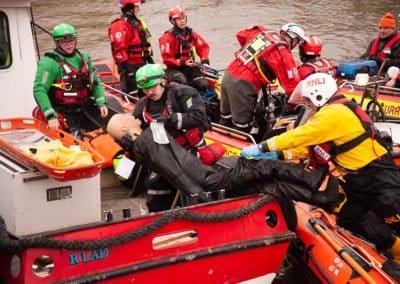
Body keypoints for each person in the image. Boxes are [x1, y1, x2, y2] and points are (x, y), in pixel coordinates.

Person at [240, 72, 400, 265]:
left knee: (393, 215)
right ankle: (390, 249)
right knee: (350, 217)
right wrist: (279, 155)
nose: (307, 103)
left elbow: (301, 136)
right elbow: (311, 148)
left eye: (308, 99)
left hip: (378, 178)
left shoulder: (333, 114)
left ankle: (396, 252)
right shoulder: (331, 114)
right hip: (358, 180)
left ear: (318, 95)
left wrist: (263, 147)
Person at [106, 112, 336, 214]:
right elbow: (173, 172)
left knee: (267, 185)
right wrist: (202, 196)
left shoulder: (145, 143)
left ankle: (320, 198)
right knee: (261, 166)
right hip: (209, 180)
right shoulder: (148, 142)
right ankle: (310, 178)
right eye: (124, 118)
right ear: (125, 128)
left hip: (206, 177)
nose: (130, 115)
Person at [131, 63, 210, 212]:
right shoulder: (142, 106)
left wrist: (170, 120)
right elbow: (136, 129)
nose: (150, 91)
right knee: (155, 186)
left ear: (163, 81)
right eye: (146, 89)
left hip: (189, 152)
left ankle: (197, 212)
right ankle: (158, 216)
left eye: (153, 87)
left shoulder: (183, 94)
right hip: (164, 157)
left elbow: (200, 118)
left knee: (192, 188)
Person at [219, 23, 305, 133]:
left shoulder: (262, 33)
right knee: (242, 126)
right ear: (294, 39)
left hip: (228, 74)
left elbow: (241, 35)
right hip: (244, 84)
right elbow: (292, 85)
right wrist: (293, 107)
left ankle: (219, 137)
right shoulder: (282, 51)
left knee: (225, 117)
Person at [33, 23, 108, 135]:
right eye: (64, 42)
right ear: (57, 43)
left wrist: (101, 102)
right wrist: (50, 116)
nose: (69, 45)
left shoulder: (84, 58)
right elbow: (39, 90)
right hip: (63, 112)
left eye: (71, 41)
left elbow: (95, 82)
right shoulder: (49, 63)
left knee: (104, 132)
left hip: (84, 108)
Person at [159, 5, 210, 93]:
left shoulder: (191, 33)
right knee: (182, 83)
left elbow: (203, 46)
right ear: (172, 21)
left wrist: (204, 60)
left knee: (203, 84)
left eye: (183, 18)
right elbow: (167, 58)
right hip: (173, 68)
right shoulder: (166, 38)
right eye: (179, 19)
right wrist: (183, 62)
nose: (182, 21)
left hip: (189, 65)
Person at [108, 0, 153, 96]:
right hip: (129, 66)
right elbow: (119, 51)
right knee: (133, 94)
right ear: (129, 8)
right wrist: (129, 71)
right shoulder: (120, 25)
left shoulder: (136, 23)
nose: (138, 9)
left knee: (148, 92)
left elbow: (144, 44)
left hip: (141, 64)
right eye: (136, 6)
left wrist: (150, 60)